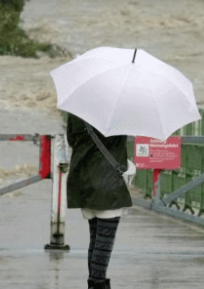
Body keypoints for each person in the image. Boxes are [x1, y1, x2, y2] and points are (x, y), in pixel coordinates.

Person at [65, 112, 135, 289]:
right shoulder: (118, 114)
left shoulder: (75, 111)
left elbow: (72, 140)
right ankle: (97, 283)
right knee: (103, 243)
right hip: (107, 183)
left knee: (95, 239)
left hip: (83, 180)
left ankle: (95, 281)